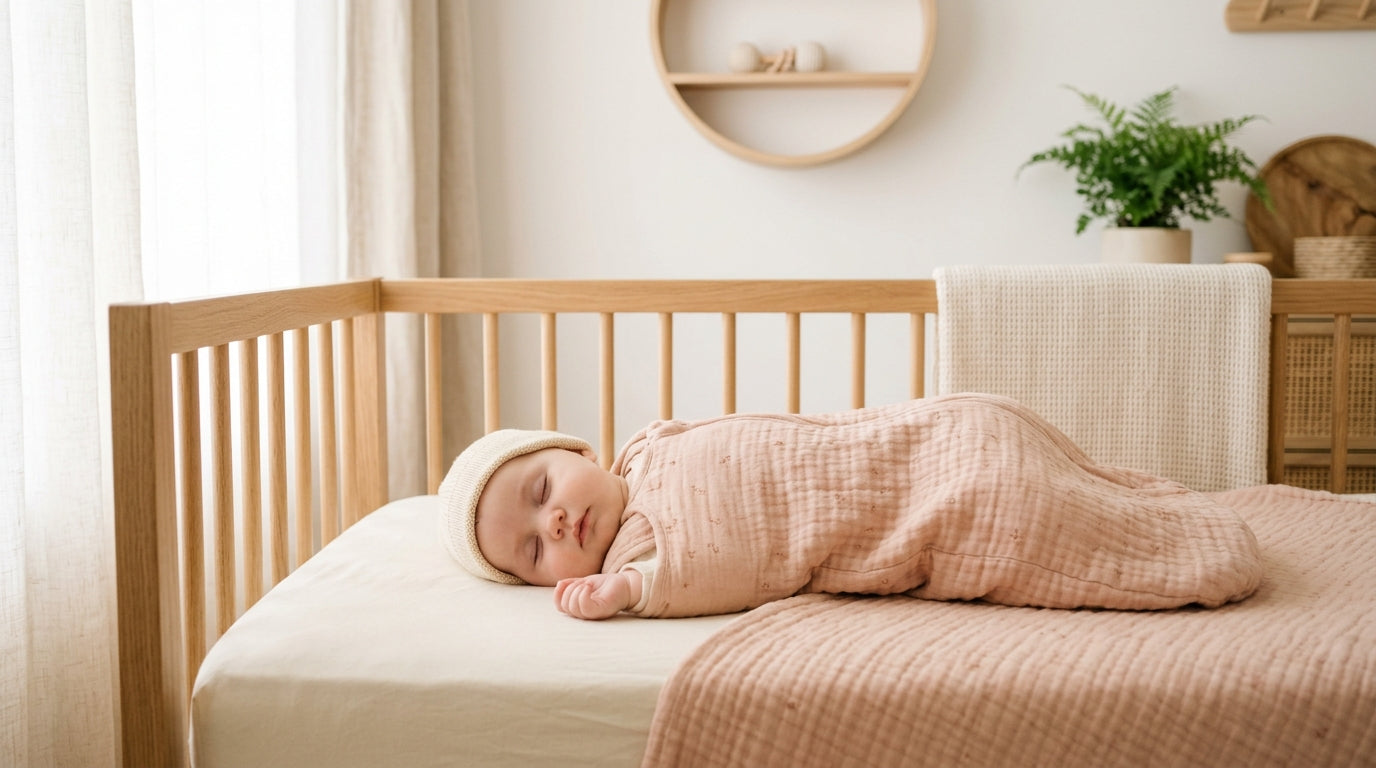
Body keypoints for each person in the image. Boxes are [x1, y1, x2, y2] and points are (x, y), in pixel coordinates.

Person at [439, 394, 1264, 621]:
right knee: (1019, 510)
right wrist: (629, 593)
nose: (552, 525)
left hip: (920, 437)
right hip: (937, 506)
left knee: (1000, 444)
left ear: (580, 452)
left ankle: (1138, 506)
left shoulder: (654, 447)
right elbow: (722, 565)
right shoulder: (644, 556)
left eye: (541, 492)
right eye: (533, 553)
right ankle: (1176, 542)